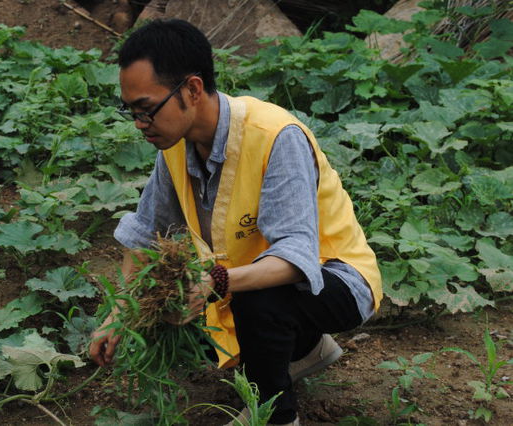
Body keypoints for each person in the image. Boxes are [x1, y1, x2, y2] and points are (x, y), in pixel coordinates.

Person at [88, 19, 382, 426]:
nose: (139, 123)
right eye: (131, 111)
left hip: (336, 280)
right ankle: (304, 351)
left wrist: (215, 282)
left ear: (191, 89)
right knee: (173, 298)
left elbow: (296, 258)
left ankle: (276, 416)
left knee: (256, 298)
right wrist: (121, 313)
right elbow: (144, 236)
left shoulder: (275, 136)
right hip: (245, 282)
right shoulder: (174, 148)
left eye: (146, 109)